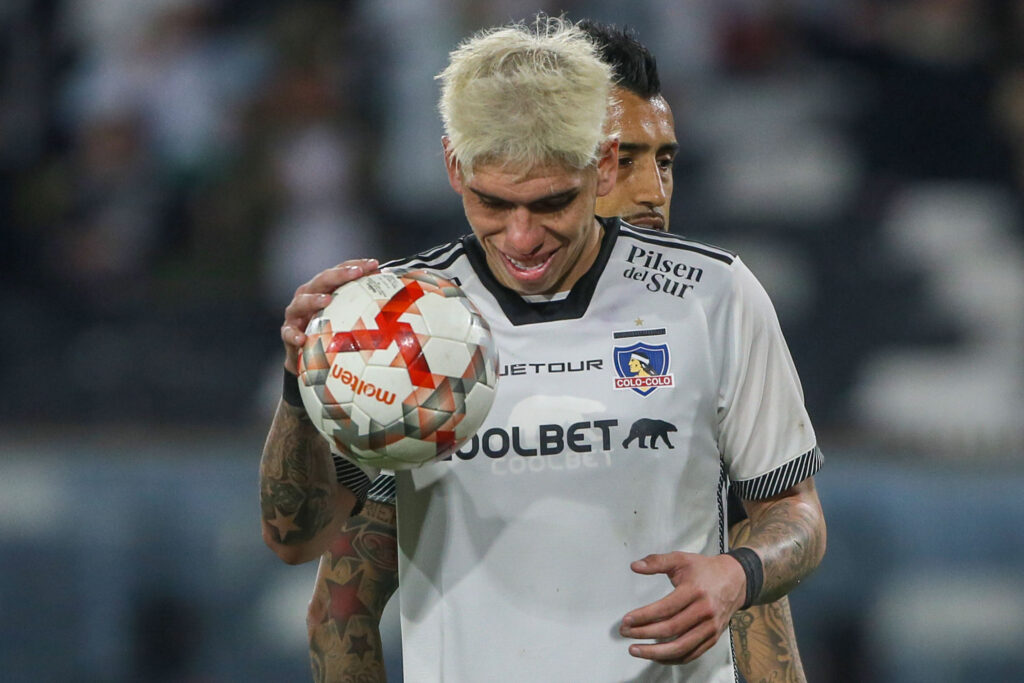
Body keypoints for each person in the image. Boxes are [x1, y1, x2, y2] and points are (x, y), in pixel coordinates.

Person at [260, 15, 826, 682]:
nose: (521, 237)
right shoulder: (402, 322)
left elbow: (792, 510)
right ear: (452, 165)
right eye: (493, 203)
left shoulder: (713, 294)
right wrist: (303, 385)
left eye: (551, 202)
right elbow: (303, 547)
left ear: (600, 163)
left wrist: (741, 571)